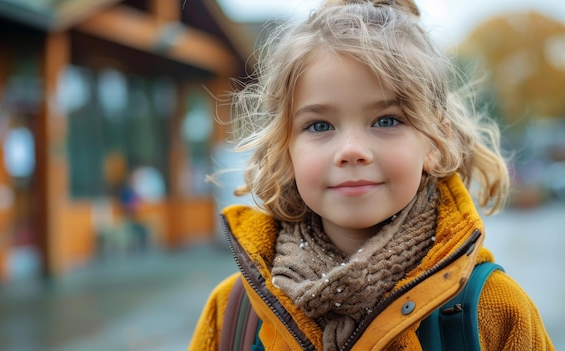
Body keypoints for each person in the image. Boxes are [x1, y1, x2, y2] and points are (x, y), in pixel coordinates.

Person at [190, 0, 555, 350]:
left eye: (387, 121)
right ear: (286, 148)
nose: (351, 150)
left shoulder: (495, 313)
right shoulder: (235, 314)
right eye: (319, 125)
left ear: (434, 141)